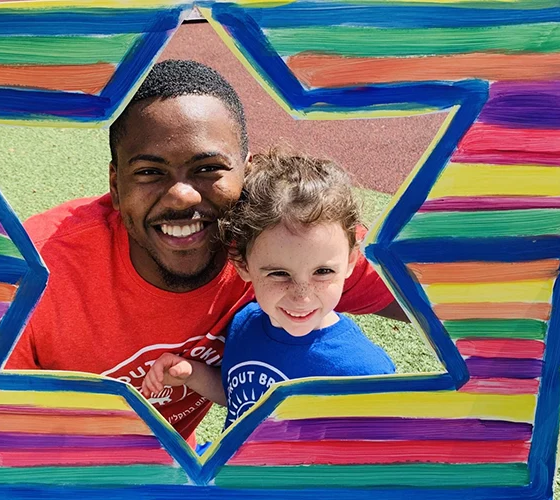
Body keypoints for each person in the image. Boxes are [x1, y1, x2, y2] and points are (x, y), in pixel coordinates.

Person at [0, 60, 560, 465]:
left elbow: (459, 301)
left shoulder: (273, 251)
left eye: (208, 169)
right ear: (113, 185)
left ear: (245, 173)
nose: (182, 198)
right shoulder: (30, 268)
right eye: (149, 173)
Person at [143, 151, 396, 428]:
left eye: (322, 272)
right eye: (279, 273)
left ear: (350, 262)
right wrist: (192, 375)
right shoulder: (244, 324)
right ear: (243, 263)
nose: (302, 295)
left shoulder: (365, 372)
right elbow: (241, 396)